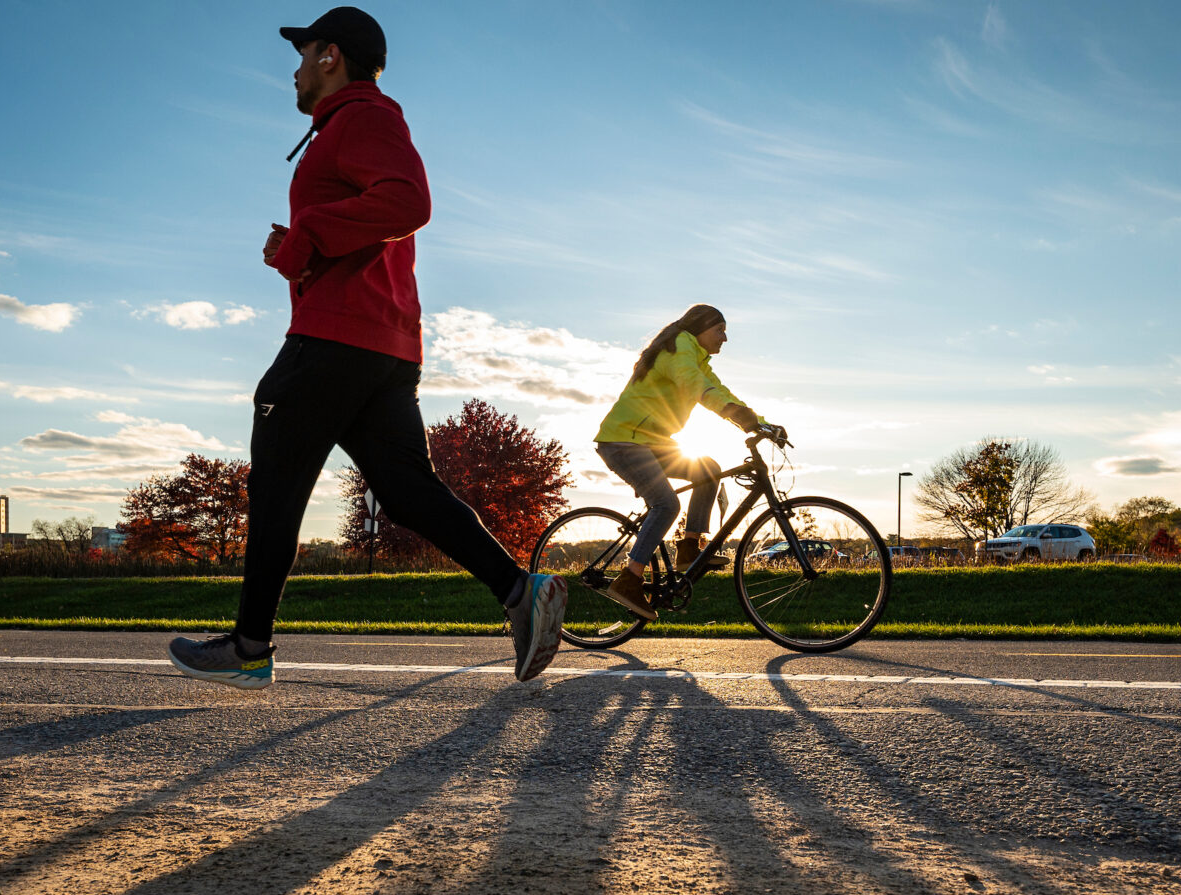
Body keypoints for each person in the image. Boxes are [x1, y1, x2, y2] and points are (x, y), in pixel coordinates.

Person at [168, 7, 566, 690]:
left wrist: (312, 232)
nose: (293, 70)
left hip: (337, 336)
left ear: (331, 56)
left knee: (277, 469)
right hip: (380, 342)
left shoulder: (364, 117)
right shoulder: (346, 125)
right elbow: (369, 224)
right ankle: (518, 590)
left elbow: (409, 200)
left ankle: (249, 644)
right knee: (408, 491)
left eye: (301, 55)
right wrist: (295, 252)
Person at [593, 304, 784, 619]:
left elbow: (719, 391)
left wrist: (761, 422)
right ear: (701, 328)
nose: (725, 338)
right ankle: (630, 578)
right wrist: (740, 417)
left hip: (650, 442)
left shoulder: (696, 357)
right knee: (666, 505)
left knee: (707, 469)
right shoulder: (679, 348)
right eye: (720, 330)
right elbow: (698, 388)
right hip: (623, 441)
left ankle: (688, 548)